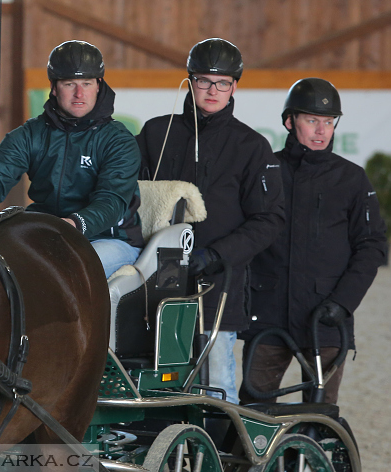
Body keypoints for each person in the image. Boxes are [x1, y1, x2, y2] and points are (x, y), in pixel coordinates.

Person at [136, 38, 285, 405]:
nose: (213, 90)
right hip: (155, 280)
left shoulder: (251, 147)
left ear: (235, 86)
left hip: (219, 286)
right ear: (189, 82)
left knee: (216, 382)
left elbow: (268, 220)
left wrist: (215, 255)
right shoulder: (156, 133)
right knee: (156, 382)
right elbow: (130, 196)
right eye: (204, 80)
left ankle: (217, 459)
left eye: (223, 82)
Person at [239, 78, 387, 405]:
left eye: (329, 122)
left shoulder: (352, 179)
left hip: (326, 318)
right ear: (290, 122)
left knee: (320, 417)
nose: (321, 130)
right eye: (312, 120)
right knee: (252, 412)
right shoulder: (267, 171)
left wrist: (343, 303)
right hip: (268, 315)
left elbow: (372, 246)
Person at [0, 40, 143, 278]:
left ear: (98, 85)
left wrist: (74, 224)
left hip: (109, 240)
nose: (79, 94)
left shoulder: (119, 140)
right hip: (44, 233)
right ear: (54, 88)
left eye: (86, 83)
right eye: (70, 84)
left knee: (65, 269)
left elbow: (111, 201)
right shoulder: (30, 134)